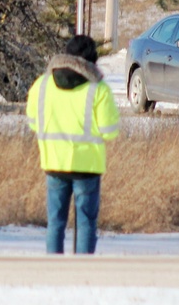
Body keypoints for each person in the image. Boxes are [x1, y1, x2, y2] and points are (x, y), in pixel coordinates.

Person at [26, 35, 120, 254]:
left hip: (54, 161)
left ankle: (54, 269)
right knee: (86, 222)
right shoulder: (99, 88)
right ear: (92, 60)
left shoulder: (42, 84)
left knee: (55, 221)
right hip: (87, 166)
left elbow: (33, 123)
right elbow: (110, 131)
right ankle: (83, 270)